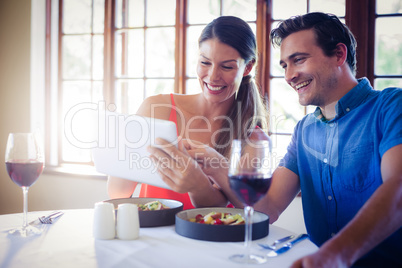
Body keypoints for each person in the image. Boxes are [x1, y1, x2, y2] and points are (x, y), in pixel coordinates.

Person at [189, 12, 401, 267]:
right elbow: (268, 209)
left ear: (339, 55)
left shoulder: (391, 107)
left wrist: (335, 255)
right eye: (285, 66)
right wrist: (216, 165)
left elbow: (398, 189)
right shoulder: (304, 130)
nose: (289, 76)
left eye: (298, 60)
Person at [107, 16, 269, 210]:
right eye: (205, 62)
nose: (213, 76)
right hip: (153, 234)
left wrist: (197, 184)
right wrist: (122, 149)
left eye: (227, 66)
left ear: (247, 67)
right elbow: (117, 192)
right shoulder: (156, 108)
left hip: (208, 237)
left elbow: (226, 207)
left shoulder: (252, 138)